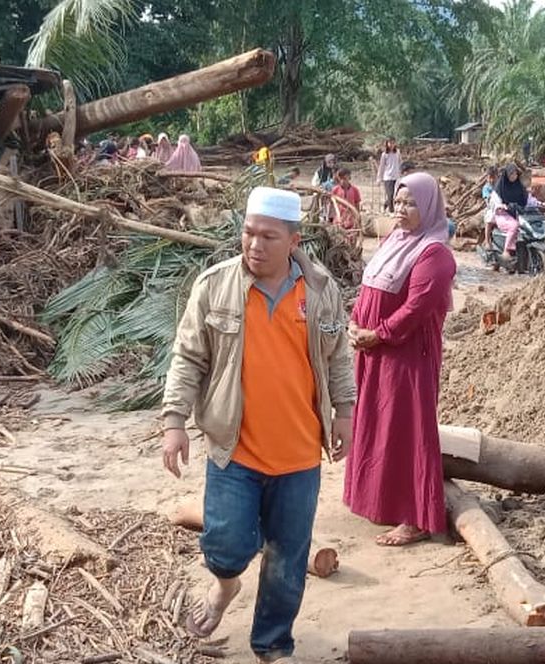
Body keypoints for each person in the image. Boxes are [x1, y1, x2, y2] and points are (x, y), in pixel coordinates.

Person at [161, 187, 355, 663]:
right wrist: (174, 420)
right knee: (226, 545)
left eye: (268, 236)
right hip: (235, 449)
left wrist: (345, 412)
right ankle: (226, 585)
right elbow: (187, 357)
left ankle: (272, 644)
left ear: (295, 240)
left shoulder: (322, 291)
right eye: (248, 233)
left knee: (288, 558)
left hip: (299, 453)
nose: (254, 245)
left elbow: (338, 358)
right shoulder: (215, 287)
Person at [345, 172, 457, 546]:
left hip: (406, 353)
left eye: (411, 203)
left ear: (427, 206)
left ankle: (416, 516)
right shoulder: (395, 240)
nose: (402, 210)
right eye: (398, 203)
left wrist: (378, 334)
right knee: (379, 422)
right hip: (375, 350)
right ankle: (381, 501)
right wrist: (355, 323)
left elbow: (417, 308)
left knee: (407, 427)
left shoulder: (435, 253)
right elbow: (370, 287)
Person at [485, 164, 529, 261]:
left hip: (517, 213)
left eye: (515, 174)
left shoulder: (519, 187)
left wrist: (540, 204)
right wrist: (501, 206)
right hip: (502, 214)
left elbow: (527, 199)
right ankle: (506, 250)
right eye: (511, 174)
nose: (514, 176)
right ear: (507, 175)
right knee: (514, 226)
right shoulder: (499, 188)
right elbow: (494, 202)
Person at [376, 138, 402, 213]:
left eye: (393, 143)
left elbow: (400, 162)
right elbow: (382, 166)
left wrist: (402, 172)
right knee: (390, 194)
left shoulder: (397, 153)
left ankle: (386, 203)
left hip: (396, 176)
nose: (391, 145)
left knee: (396, 195)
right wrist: (379, 178)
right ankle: (391, 211)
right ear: (387, 144)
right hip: (387, 177)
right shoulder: (384, 154)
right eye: (390, 143)